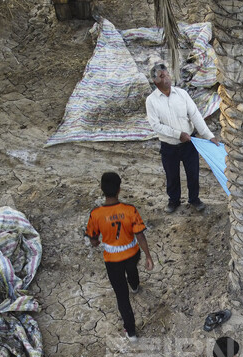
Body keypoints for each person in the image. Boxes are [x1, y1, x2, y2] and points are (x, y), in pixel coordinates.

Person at [85, 172, 154, 342]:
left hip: (112, 260)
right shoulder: (130, 210)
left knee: (121, 296)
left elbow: (93, 239)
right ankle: (136, 286)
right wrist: (148, 256)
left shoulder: (96, 214)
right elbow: (140, 236)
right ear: (119, 189)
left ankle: (131, 332)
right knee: (132, 270)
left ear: (101, 189)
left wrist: (96, 242)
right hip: (132, 253)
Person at [145, 63, 221, 214]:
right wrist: (178, 135)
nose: (166, 78)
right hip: (169, 146)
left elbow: (195, 115)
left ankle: (194, 199)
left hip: (189, 143)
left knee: (193, 173)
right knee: (172, 175)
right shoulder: (151, 101)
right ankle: (173, 201)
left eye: (167, 74)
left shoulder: (182, 94)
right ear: (155, 81)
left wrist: (209, 136)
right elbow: (156, 125)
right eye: (162, 76)